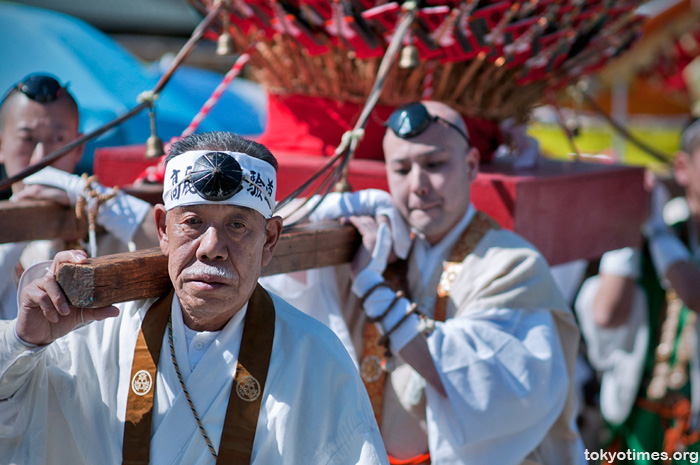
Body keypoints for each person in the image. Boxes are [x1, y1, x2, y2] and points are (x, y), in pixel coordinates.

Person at [0, 131, 388, 464]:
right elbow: (13, 422)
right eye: (192, 223)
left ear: (269, 239)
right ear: (162, 229)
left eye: (237, 225)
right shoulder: (92, 333)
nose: (211, 248)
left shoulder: (314, 356)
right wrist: (25, 341)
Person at [262, 101, 584, 464]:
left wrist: (373, 290)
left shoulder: (511, 264)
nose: (417, 186)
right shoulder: (378, 244)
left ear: (471, 164)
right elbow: (273, 246)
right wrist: (335, 207)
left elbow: (482, 384)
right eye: (400, 169)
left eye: (434, 164)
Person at [574, 120, 700, 463]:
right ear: (682, 168)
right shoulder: (659, 232)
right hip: (642, 427)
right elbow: (606, 314)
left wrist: (657, 231)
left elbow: (695, 294)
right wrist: (630, 224)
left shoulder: (661, 234)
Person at [0, 73, 158, 319]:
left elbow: (168, 241)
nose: (41, 157)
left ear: (79, 147)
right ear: (1, 145)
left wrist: (87, 195)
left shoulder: (100, 216)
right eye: (27, 139)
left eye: (58, 140)